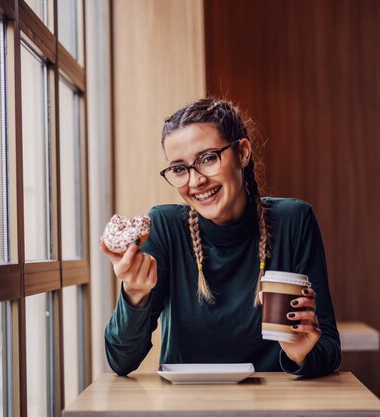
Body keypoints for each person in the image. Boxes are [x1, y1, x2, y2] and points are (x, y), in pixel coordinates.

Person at [102, 98, 341, 377]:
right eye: (179, 168)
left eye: (208, 158)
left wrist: (302, 354)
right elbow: (121, 361)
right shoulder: (166, 228)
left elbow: (330, 350)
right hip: (186, 407)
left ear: (242, 152)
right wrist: (134, 293)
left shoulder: (294, 221)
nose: (195, 181)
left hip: (275, 403)